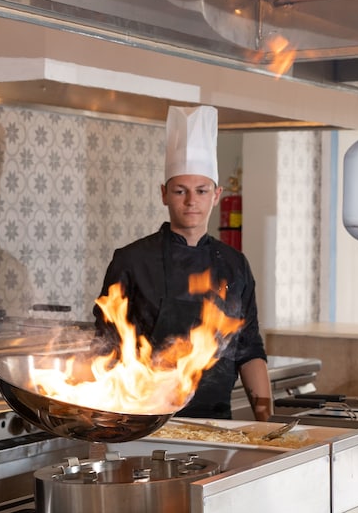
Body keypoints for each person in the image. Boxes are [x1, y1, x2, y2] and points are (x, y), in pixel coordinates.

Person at [92, 105, 273, 421]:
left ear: (216, 195)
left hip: (217, 423)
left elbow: (250, 349)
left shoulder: (235, 265)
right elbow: (106, 349)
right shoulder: (132, 260)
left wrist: (267, 425)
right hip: (143, 420)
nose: (191, 201)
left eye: (201, 191)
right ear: (164, 194)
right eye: (180, 191)